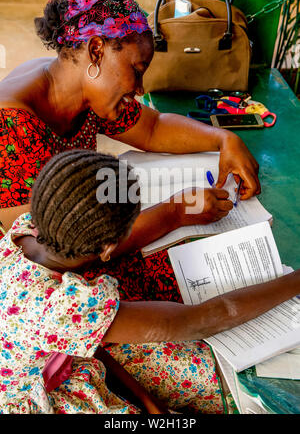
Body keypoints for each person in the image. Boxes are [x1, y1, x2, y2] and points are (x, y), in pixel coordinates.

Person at [0, 0, 260, 303]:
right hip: (40, 279)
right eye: (136, 71)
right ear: (97, 50)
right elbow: (47, 250)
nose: (139, 88)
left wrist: (224, 139)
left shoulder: (79, 87)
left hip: (84, 240)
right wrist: (175, 211)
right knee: (195, 278)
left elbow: (152, 128)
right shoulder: (13, 123)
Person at [0, 150, 299, 415]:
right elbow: (207, 318)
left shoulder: (21, 232)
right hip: (27, 394)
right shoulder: (69, 307)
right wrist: (295, 281)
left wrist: (178, 211)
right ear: (107, 248)